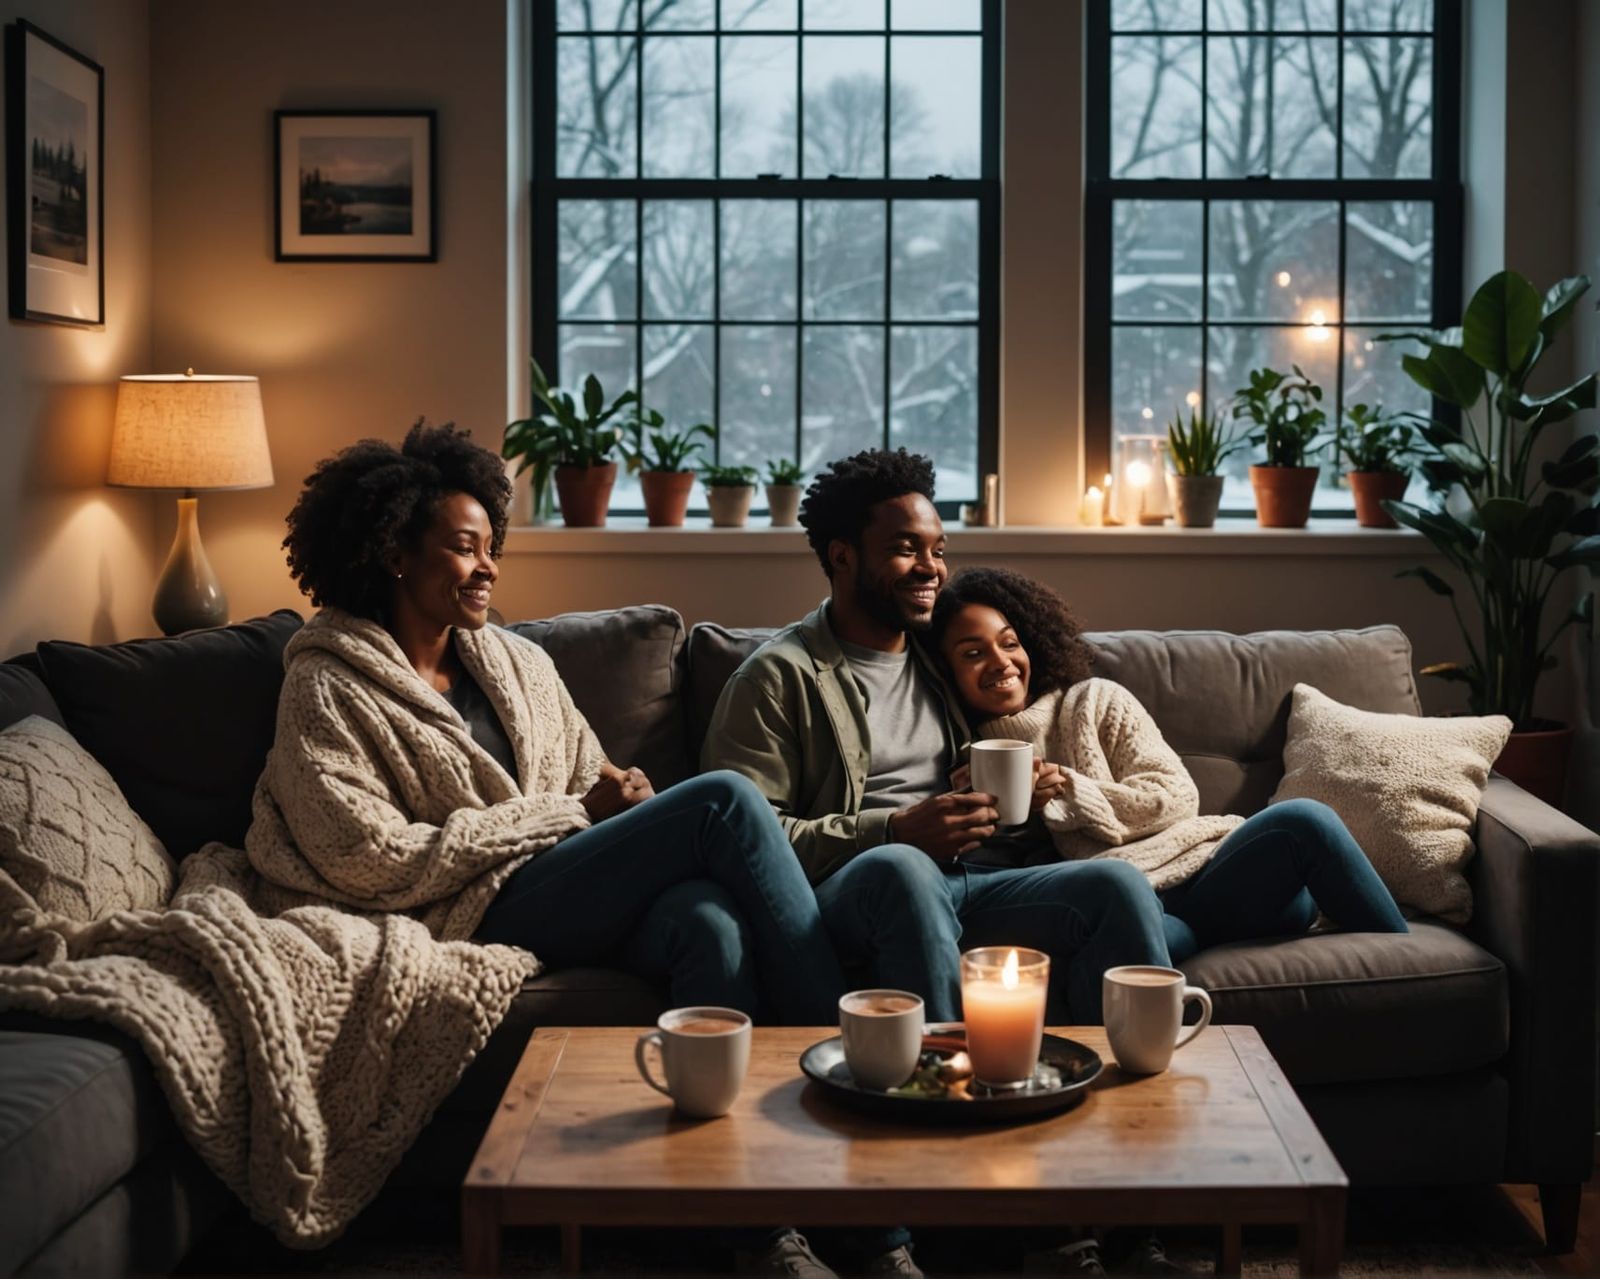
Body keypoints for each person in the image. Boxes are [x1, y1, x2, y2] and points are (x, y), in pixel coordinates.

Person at [250, 421, 849, 1029]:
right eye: (465, 548)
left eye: (492, 549)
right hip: (462, 907)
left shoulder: (520, 663)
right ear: (394, 554)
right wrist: (576, 814)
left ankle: (716, 1116)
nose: (488, 569)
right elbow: (364, 853)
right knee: (723, 800)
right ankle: (838, 1040)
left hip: (561, 888)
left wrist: (626, 793)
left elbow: (589, 773)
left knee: (708, 920)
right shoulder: (328, 686)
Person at [703, 449, 1169, 1029]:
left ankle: (1133, 1106)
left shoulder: (938, 658)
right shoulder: (776, 678)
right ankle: (943, 1081)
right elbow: (747, 839)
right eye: (906, 549)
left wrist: (1020, 795)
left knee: (1114, 884)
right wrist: (895, 830)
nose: (931, 568)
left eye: (938, 550)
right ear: (842, 556)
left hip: (977, 880)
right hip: (859, 889)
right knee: (904, 867)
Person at [929, 566, 1410, 962]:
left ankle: (1404, 972)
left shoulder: (1094, 702)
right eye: (973, 653)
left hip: (1210, 874)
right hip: (1142, 910)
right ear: (945, 671)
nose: (1001, 661)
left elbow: (1178, 798)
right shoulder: (951, 750)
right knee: (1167, 936)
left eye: (1009, 642)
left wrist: (1069, 792)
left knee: (1306, 819)